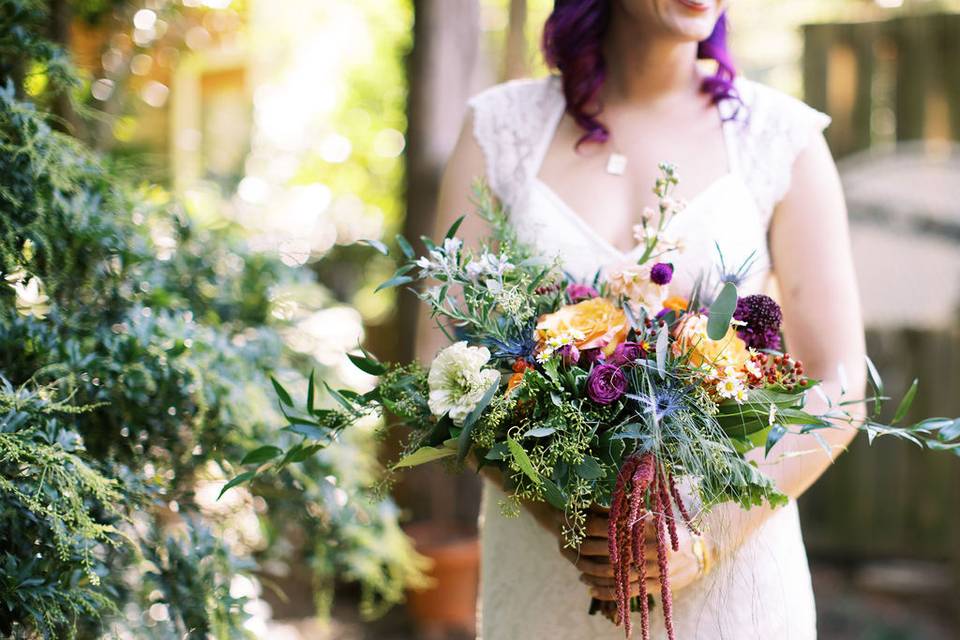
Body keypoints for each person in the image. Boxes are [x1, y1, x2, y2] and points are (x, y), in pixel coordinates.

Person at [418, 1, 867, 637]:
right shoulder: (499, 130)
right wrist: (569, 519)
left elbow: (840, 387)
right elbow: (439, 374)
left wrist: (707, 538)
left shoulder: (781, 139)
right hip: (548, 579)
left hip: (728, 583)